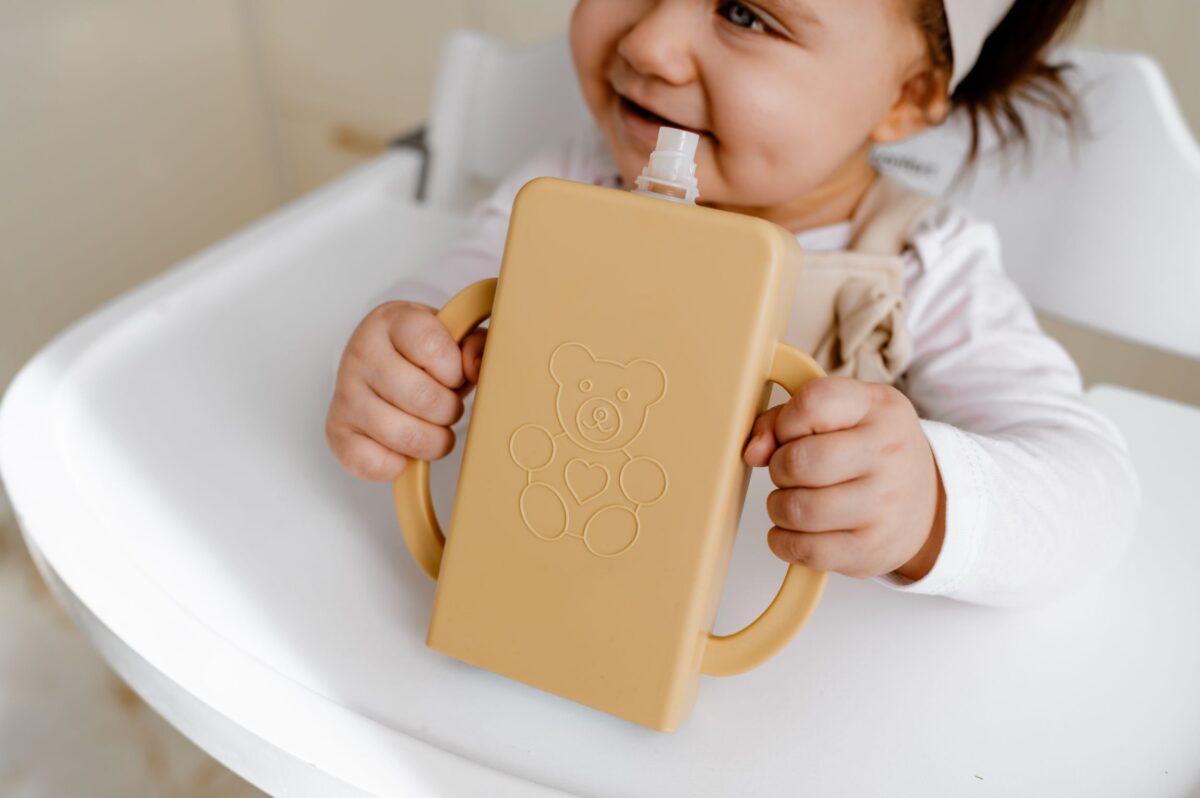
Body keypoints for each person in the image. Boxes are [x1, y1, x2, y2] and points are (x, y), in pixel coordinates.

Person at [324, 0, 1141, 608]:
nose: (647, 43)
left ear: (905, 95)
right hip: (545, 603)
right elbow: (447, 300)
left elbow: (1092, 497)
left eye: (747, 14)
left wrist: (928, 502)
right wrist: (401, 359)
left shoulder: (924, 267)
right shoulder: (567, 186)